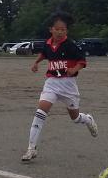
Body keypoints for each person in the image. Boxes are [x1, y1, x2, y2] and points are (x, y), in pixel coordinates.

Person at [21, 11, 98, 162]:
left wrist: (74, 69)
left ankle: (88, 119)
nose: (60, 32)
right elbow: (44, 54)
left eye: (63, 29)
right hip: (51, 83)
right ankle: (31, 148)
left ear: (66, 31)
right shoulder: (48, 44)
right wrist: (36, 63)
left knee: (75, 118)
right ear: (51, 29)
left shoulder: (70, 45)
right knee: (40, 111)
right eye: (57, 29)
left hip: (68, 85)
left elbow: (82, 61)